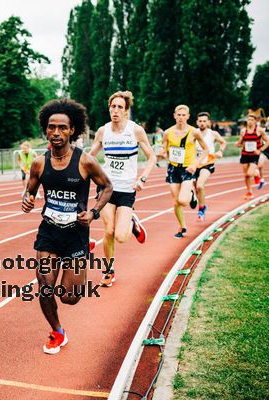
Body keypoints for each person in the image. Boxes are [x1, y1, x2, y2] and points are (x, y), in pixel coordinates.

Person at [22, 98, 112, 354]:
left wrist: (94, 213)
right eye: (52, 127)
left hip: (76, 234)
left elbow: (107, 186)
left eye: (62, 128)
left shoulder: (85, 162)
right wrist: (27, 201)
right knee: (45, 285)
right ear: (46, 129)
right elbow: (29, 192)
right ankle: (57, 332)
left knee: (69, 297)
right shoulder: (39, 163)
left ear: (73, 130)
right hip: (49, 232)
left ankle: (86, 253)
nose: (56, 133)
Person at [89, 91, 156, 287]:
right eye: (113, 106)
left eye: (120, 107)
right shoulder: (103, 131)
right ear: (109, 108)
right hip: (107, 188)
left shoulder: (135, 131)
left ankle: (133, 221)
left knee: (121, 237)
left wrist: (142, 178)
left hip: (127, 189)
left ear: (126, 111)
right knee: (108, 231)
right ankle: (109, 271)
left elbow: (152, 157)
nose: (115, 110)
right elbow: (91, 156)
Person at [157, 105, 208, 238]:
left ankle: (191, 195)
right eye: (178, 115)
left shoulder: (194, 132)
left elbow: (206, 149)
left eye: (183, 115)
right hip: (173, 168)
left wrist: (196, 164)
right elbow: (164, 147)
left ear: (188, 116)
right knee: (176, 202)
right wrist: (162, 152)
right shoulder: (167, 132)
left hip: (188, 168)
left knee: (183, 201)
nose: (181, 117)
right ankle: (182, 227)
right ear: (174, 116)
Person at [193, 112, 227, 220]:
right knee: (195, 187)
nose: (202, 123)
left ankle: (201, 209)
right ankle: (200, 203)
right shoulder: (193, 133)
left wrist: (220, 151)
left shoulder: (213, 134)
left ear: (208, 122)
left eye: (204, 121)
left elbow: (223, 142)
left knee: (199, 185)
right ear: (197, 122)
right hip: (195, 163)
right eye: (200, 121)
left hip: (208, 162)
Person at [236, 112, 269, 199]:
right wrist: (238, 144)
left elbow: (268, 142)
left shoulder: (260, 130)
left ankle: (256, 174)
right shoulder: (243, 131)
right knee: (246, 175)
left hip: (254, 155)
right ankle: (249, 192)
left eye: (251, 120)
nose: (249, 121)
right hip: (245, 154)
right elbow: (240, 142)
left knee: (249, 173)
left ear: (255, 121)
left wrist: (260, 150)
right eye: (248, 120)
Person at [255, 118, 267, 189]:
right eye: (261, 123)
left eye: (263, 123)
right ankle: (262, 180)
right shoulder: (259, 129)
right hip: (264, 148)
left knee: (260, 165)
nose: (262, 124)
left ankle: (261, 179)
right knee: (260, 165)